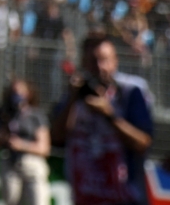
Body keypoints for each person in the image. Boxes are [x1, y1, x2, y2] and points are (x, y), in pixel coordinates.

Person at [51, 32, 153, 205]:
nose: (99, 67)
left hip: (125, 197)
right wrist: (73, 99)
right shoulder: (75, 94)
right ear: (83, 63)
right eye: (93, 61)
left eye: (104, 60)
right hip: (85, 197)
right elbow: (55, 137)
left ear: (115, 61)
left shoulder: (130, 92)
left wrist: (109, 115)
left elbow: (143, 142)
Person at [0, 79, 51, 205]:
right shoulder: (3, 114)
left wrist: (21, 145)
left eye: (20, 92)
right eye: (13, 92)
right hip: (10, 163)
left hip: (31, 165)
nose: (17, 95)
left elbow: (44, 148)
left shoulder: (36, 115)